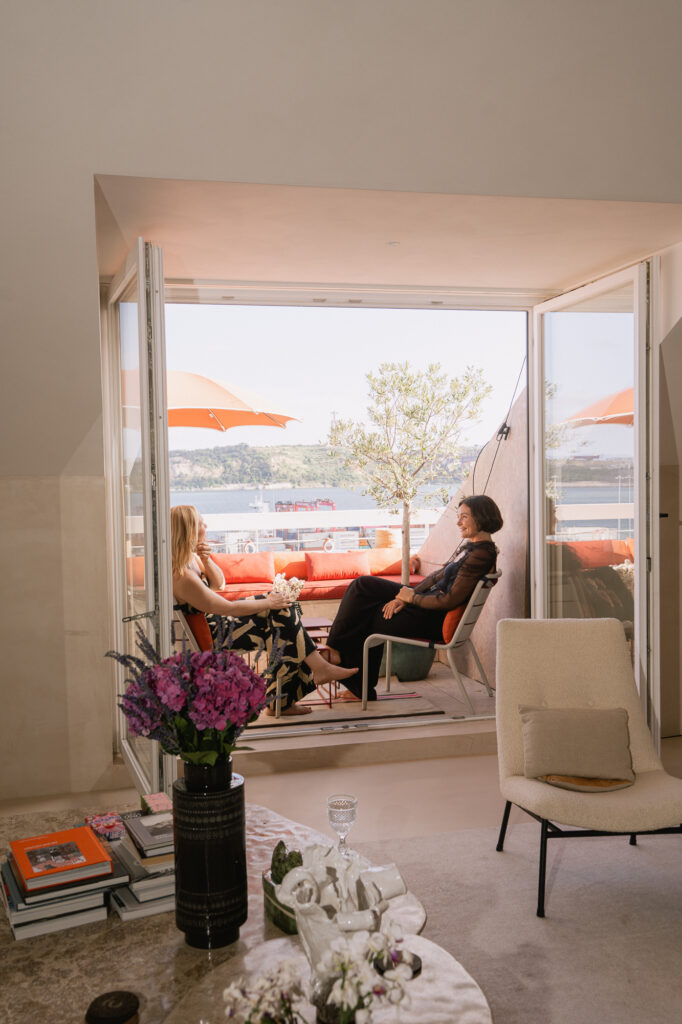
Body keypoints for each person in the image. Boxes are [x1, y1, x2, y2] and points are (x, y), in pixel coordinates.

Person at [170, 505, 358, 716]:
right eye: (201, 522)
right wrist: (269, 603)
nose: (206, 525)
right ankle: (291, 693)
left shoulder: (190, 559)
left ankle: (301, 685)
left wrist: (205, 559)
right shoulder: (182, 576)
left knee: (281, 615)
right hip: (213, 635)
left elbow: (219, 584)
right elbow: (228, 607)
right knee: (281, 621)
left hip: (215, 622)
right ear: (190, 530)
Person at [323, 495, 503, 702]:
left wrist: (412, 598)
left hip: (432, 618)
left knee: (369, 614)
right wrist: (405, 596)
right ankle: (340, 658)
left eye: (464, 517)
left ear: (481, 518)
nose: (458, 522)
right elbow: (435, 577)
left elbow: (449, 600)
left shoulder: (481, 555)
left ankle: (344, 665)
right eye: (458, 516)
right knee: (363, 585)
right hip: (425, 605)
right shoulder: (475, 549)